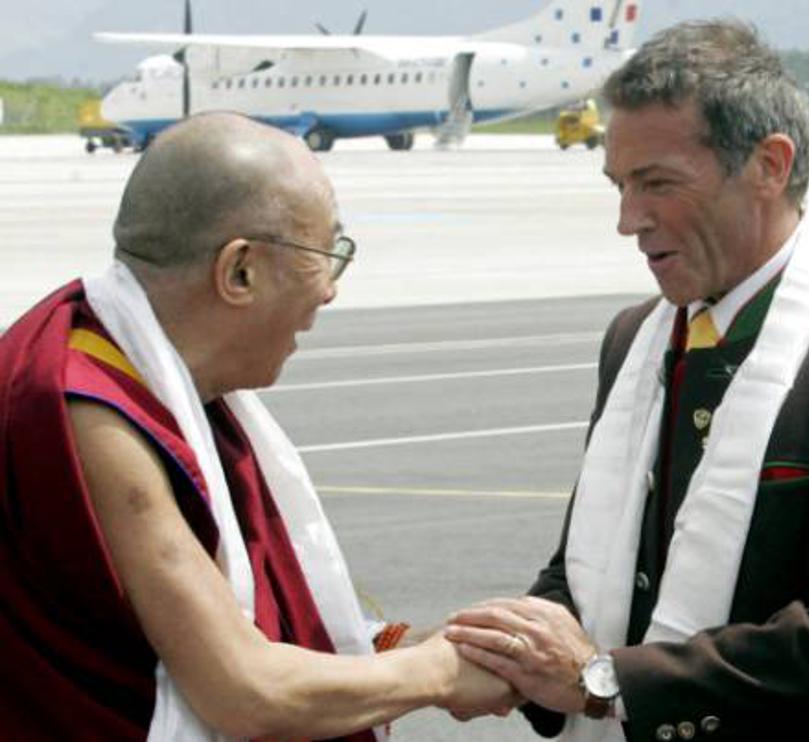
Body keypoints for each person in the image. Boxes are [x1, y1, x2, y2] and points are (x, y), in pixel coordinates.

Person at [445, 20, 809, 741]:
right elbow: (585, 572)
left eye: (657, 184)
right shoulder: (635, 338)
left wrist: (604, 681)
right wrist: (500, 653)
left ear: (769, 165)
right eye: (620, 186)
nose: (628, 221)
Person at [0, 112, 513, 739]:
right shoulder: (88, 409)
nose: (330, 291)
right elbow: (244, 691)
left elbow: (241, 627)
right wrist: (439, 671)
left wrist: (409, 648)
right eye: (326, 255)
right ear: (239, 271)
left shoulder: (170, 383)